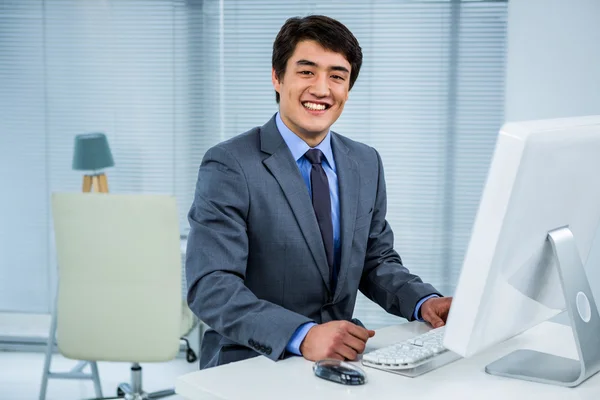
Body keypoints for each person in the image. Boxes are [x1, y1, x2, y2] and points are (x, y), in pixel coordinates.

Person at [186, 15, 452, 370]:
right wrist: (303, 334)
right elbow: (212, 286)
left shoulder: (365, 161)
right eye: (307, 71)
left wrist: (423, 302)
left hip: (340, 358)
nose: (322, 89)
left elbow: (375, 260)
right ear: (277, 77)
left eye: (337, 76)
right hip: (254, 360)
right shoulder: (230, 164)